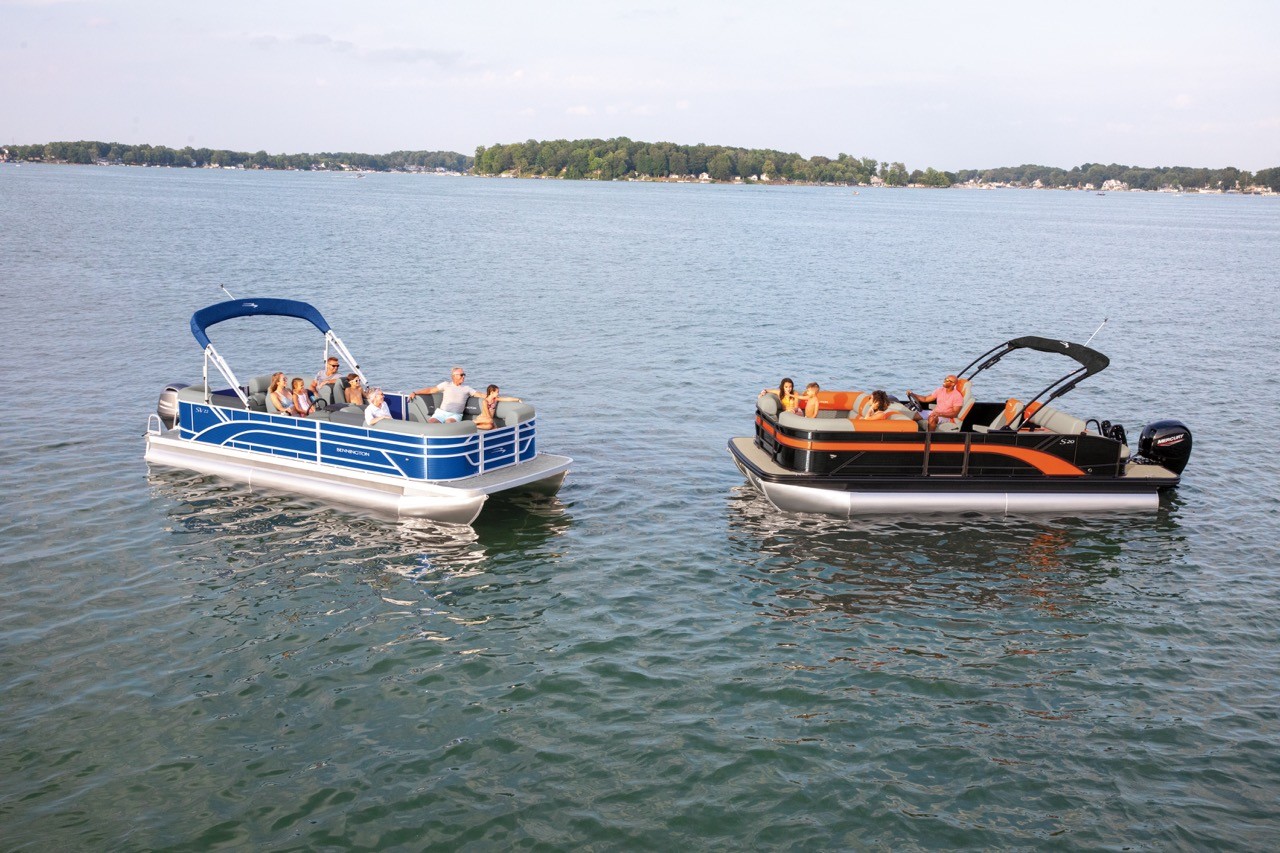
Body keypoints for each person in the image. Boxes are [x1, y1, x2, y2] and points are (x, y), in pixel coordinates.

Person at [408, 366, 483, 424]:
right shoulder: (446, 385)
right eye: (461, 375)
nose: (463, 376)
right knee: (431, 422)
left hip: (455, 415)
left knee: (449, 423)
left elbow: (479, 394)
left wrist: (492, 397)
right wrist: (415, 393)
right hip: (441, 413)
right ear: (454, 376)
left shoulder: (467, 388)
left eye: (464, 375)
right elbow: (431, 390)